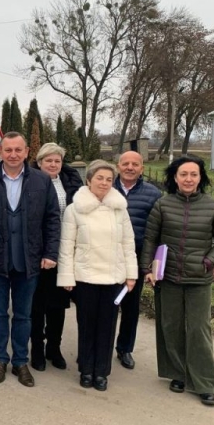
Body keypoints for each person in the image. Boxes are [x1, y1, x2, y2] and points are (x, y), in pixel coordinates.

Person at [0, 132, 61, 387]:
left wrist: (50, 253)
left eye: (18, 150)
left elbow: (52, 219)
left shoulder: (42, 181)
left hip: (29, 261)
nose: (13, 155)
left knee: (23, 315)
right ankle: (0, 359)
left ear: (27, 152)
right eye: (8, 150)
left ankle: (20, 361)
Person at [140, 156, 214, 407]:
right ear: (175, 177)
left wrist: (208, 262)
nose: (188, 179)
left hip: (198, 279)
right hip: (168, 276)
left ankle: (204, 383)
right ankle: (177, 374)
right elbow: (150, 239)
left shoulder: (213, 206)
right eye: (183, 174)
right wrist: (148, 268)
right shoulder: (163, 205)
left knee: (199, 330)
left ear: (201, 177)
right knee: (171, 326)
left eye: (193, 174)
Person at [57, 159, 137, 392]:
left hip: (113, 279)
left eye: (109, 179)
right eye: (99, 178)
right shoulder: (75, 209)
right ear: (89, 180)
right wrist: (67, 277)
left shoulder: (120, 209)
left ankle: (101, 372)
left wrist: (131, 275)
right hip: (85, 278)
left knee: (107, 326)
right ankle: (86, 369)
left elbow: (128, 243)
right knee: (87, 325)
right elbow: (66, 245)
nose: (104, 183)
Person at [30, 142, 83, 372]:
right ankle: (37, 350)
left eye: (57, 161)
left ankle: (54, 347)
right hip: (37, 252)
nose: (53, 164)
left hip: (63, 252)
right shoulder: (30, 181)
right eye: (48, 160)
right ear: (39, 162)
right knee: (37, 304)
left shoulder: (70, 183)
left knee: (58, 304)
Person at [112, 151, 161, 370]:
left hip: (136, 258)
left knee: (130, 308)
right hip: (107, 258)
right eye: (125, 164)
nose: (130, 167)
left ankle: (125, 348)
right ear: (118, 166)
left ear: (142, 168)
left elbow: (158, 231)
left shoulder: (153, 194)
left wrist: (150, 264)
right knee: (106, 306)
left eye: (135, 164)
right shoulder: (105, 187)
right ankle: (101, 346)